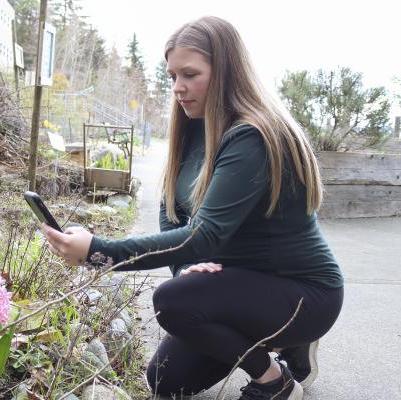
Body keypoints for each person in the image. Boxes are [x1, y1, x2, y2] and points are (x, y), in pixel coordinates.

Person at [42, 16, 343, 400]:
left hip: (305, 294)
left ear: (227, 73)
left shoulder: (252, 136)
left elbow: (207, 235)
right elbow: (172, 211)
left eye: (190, 74)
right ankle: (281, 345)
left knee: (172, 301)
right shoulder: (195, 125)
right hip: (242, 283)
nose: (178, 88)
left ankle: (275, 379)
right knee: (167, 380)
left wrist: (100, 252)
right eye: (171, 76)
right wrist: (185, 268)